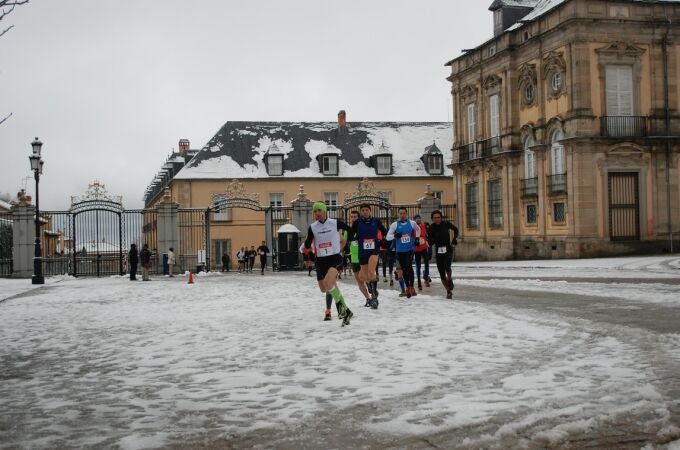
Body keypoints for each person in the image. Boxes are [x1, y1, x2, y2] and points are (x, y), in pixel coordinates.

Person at [302, 201, 354, 326]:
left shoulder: (334, 223)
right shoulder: (313, 227)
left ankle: (343, 310)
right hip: (320, 261)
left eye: (319, 210)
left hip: (334, 258)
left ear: (325, 211)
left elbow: (350, 230)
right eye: (314, 211)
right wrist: (308, 251)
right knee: (324, 288)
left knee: (329, 283)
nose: (317, 213)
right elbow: (308, 242)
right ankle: (346, 310)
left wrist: (347, 243)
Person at [350, 203, 388, 309]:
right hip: (362, 252)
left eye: (367, 210)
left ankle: (374, 298)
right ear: (361, 212)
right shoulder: (357, 223)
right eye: (363, 210)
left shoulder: (376, 221)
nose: (365, 212)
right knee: (364, 276)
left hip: (374, 250)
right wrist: (354, 237)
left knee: (371, 272)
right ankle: (372, 288)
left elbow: (385, 231)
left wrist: (383, 240)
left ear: (370, 211)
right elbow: (351, 235)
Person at [386, 207, 421, 298]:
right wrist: (395, 235)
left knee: (409, 267)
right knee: (404, 269)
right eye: (400, 213)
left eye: (404, 213)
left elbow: (418, 230)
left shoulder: (412, 223)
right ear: (398, 214)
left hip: (409, 250)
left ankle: (412, 287)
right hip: (400, 251)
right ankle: (408, 287)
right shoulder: (395, 225)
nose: (402, 215)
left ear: (406, 214)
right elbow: (387, 237)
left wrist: (417, 238)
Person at [427, 210, 460, 299]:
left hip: (448, 250)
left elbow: (456, 229)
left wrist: (454, 239)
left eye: (438, 217)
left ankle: (449, 279)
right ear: (432, 219)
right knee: (441, 273)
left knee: (447, 266)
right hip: (438, 252)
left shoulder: (446, 224)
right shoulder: (431, 228)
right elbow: (429, 242)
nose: (437, 219)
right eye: (435, 218)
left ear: (441, 217)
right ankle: (448, 291)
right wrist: (434, 239)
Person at [346, 210, 372, 307]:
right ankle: (368, 299)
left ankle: (372, 293)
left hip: (364, 257)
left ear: (359, 218)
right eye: (351, 217)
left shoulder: (363, 228)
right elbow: (344, 242)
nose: (353, 218)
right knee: (359, 281)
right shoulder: (348, 230)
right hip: (354, 258)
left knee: (365, 277)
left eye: (355, 217)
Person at [413, 214, 431, 290]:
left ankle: (426, 277)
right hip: (417, 249)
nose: (418, 220)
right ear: (414, 220)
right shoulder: (412, 228)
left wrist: (428, 242)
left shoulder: (424, 226)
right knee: (418, 265)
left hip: (424, 248)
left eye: (419, 218)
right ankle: (419, 281)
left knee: (426, 263)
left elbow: (428, 235)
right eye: (416, 219)